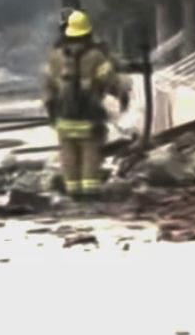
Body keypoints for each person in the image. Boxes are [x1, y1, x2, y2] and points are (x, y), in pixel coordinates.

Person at [41, 10, 131, 198]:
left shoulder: (56, 56)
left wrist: (50, 110)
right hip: (89, 116)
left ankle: (73, 191)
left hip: (63, 117)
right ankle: (89, 192)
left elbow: (48, 86)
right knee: (90, 153)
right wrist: (122, 95)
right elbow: (110, 80)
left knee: (68, 154)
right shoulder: (96, 56)